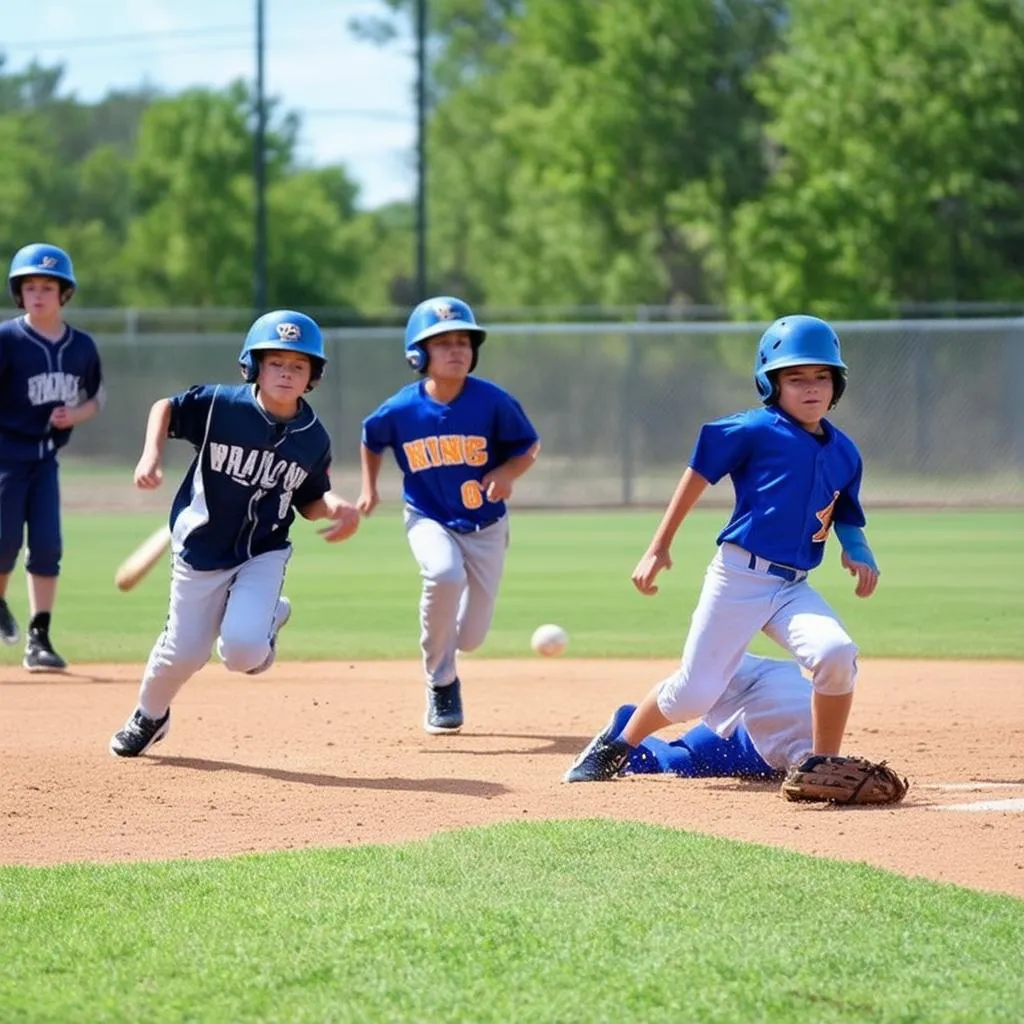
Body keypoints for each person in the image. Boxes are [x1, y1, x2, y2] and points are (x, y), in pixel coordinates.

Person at [565, 314, 881, 786]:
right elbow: (698, 473)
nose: (811, 388)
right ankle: (620, 742)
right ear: (770, 383)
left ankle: (822, 766)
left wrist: (859, 550)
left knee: (836, 652)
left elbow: (847, 514)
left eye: (822, 377)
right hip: (739, 577)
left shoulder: (845, 452)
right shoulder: (754, 429)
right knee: (692, 696)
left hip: (793, 587)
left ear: (837, 385)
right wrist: (659, 547)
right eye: (795, 378)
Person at [109, 310, 360, 758]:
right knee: (183, 654)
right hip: (200, 549)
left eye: (298, 365)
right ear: (254, 366)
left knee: (242, 653)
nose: (286, 373)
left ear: (312, 376)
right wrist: (151, 457)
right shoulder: (220, 406)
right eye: (276, 362)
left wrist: (334, 507)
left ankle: (266, 616)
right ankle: (150, 716)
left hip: (262, 551)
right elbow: (163, 408)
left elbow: (308, 501)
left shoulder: (312, 437)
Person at [358, 296, 540, 734]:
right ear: (418, 354)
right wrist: (369, 487)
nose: (457, 350)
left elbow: (528, 446)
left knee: (472, 637)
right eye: (443, 343)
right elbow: (371, 437)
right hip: (428, 517)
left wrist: (506, 471)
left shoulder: (492, 402)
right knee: (442, 574)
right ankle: (441, 683)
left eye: (464, 341)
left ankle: (449, 652)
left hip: (487, 526)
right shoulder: (402, 408)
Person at [0, 243, 104, 672]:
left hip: (46, 459)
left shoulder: (81, 346)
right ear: (19, 294)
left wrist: (76, 413)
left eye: (48, 286)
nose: (38, 294)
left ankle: (39, 636)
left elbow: (96, 396)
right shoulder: (7, 339)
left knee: (47, 545)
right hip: (5, 455)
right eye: (29, 287)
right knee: (4, 541)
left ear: (64, 294)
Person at [597, 653, 812, 779]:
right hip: (751, 733)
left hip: (756, 722)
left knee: (686, 757)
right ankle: (625, 728)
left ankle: (630, 729)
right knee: (682, 762)